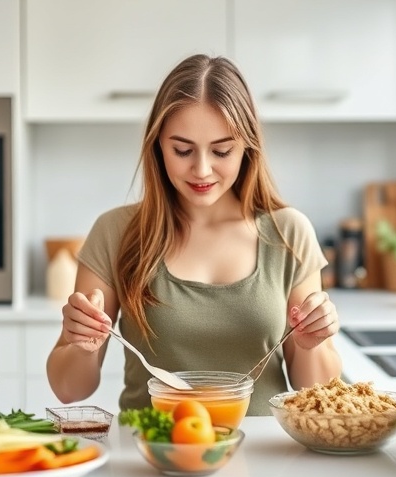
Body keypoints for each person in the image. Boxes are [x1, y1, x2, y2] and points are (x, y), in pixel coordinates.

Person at [46, 54, 342, 415]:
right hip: (155, 455)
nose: (201, 169)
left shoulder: (288, 232)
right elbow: (68, 390)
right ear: (157, 145)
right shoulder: (115, 233)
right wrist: (80, 345)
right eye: (182, 150)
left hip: (266, 458)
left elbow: (316, 391)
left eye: (221, 150)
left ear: (247, 147)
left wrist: (311, 343)